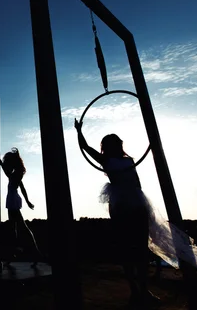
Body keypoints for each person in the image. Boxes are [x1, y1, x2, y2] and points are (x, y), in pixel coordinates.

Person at [75, 119, 160, 308]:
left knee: (139, 249)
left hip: (136, 203)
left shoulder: (129, 160)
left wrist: (143, 203)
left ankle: (142, 291)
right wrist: (79, 131)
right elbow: (85, 147)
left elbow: (138, 183)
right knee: (129, 249)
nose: (120, 145)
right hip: (122, 205)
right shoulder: (106, 160)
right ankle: (136, 291)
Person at [0, 148, 43, 267]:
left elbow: (9, 176)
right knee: (15, 228)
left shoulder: (16, 174)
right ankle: (14, 254)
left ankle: (32, 253)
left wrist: (1, 165)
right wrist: (27, 201)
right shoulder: (17, 173)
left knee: (20, 228)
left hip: (12, 200)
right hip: (13, 199)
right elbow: (22, 188)